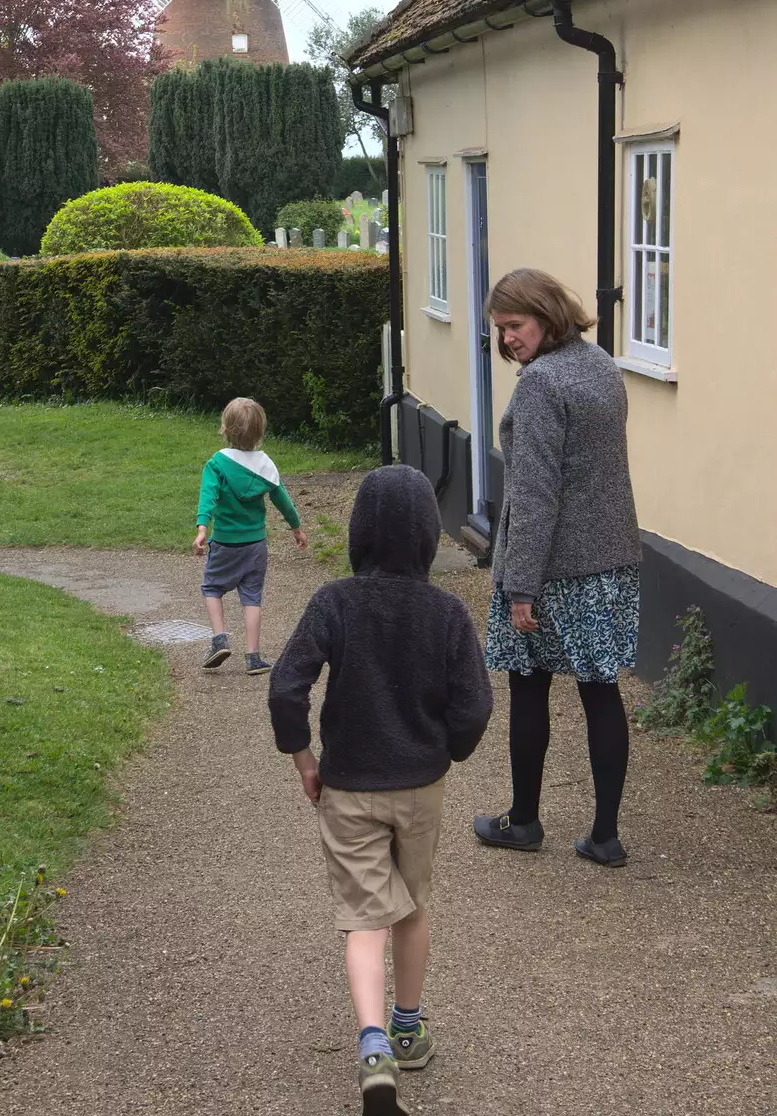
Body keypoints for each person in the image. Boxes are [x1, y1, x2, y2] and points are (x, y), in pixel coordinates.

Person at [269, 465, 492, 1116]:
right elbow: (474, 707)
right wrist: (446, 751)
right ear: (428, 536)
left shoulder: (333, 603)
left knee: (364, 922)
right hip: (420, 785)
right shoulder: (448, 612)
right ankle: (407, 1026)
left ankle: (372, 1049)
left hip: (347, 787)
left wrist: (304, 759)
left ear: (360, 531)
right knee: (412, 906)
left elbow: (286, 687)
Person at [473, 267, 641, 869]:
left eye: (515, 326)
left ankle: (523, 822)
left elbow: (537, 492)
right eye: (500, 330)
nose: (508, 340)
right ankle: (605, 835)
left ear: (545, 315)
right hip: (610, 559)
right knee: (601, 690)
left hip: (553, 567)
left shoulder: (542, 383)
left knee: (527, 684)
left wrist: (520, 586)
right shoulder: (599, 364)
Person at [194, 396, 307, 675]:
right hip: (256, 544)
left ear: (225, 429)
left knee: (212, 588)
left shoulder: (217, 464)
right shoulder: (265, 466)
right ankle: (253, 657)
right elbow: (283, 500)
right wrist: (296, 527)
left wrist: (202, 528)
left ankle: (219, 639)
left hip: (226, 542)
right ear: (260, 433)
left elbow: (208, 497)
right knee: (252, 596)